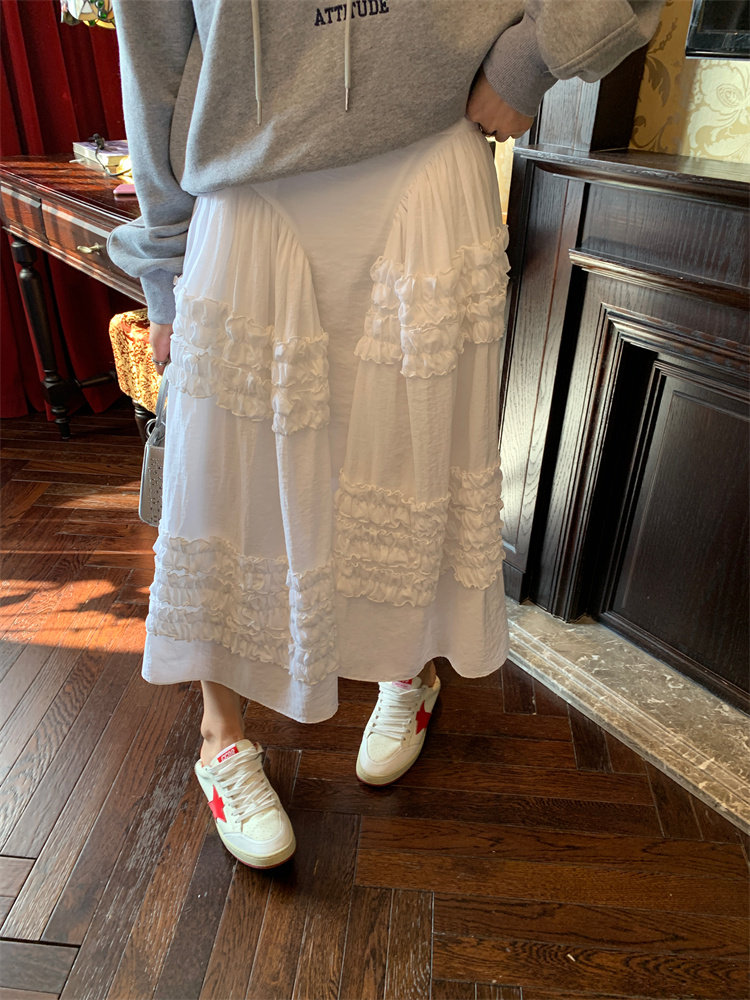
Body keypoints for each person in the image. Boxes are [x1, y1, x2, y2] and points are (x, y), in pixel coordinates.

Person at [108, 0, 663, 869]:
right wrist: (164, 265)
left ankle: (410, 666)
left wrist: (534, 56)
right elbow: (153, 54)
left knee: (415, 457)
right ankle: (221, 734)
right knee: (223, 481)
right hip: (245, 180)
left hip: (427, 158)